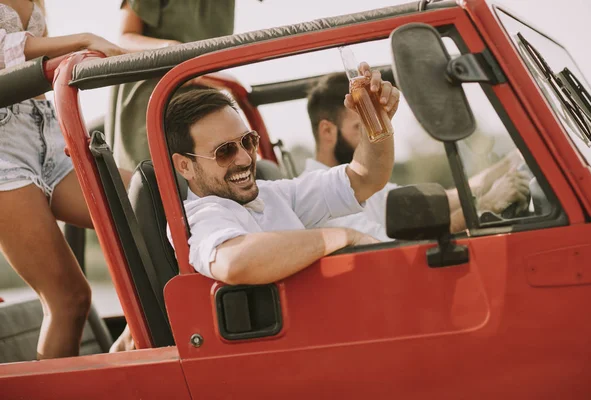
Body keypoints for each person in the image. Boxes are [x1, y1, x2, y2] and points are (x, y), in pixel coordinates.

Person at [167, 64, 398, 283]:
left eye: (248, 141)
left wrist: (376, 121)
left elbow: (366, 177)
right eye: (224, 151)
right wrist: (343, 237)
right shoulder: (196, 217)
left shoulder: (274, 195)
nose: (247, 158)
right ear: (184, 166)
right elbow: (234, 262)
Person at [0, 0, 130, 359]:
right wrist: (84, 40)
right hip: (3, 150)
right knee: (70, 301)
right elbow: (5, 51)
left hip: (47, 128)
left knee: (148, 202)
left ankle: (134, 344)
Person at [304, 72, 531, 239]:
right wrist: (486, 205)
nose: (371, 139)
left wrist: (514, 160)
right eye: (359, 128)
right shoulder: (318, 198)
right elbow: (388, 247)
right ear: (327, 131)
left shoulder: (357, 181)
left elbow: (440, 202)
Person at [107, 0, 237, 171]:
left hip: (203, 99)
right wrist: (169, 50)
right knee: (156, 180)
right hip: (153, 98)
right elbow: (125, 38)